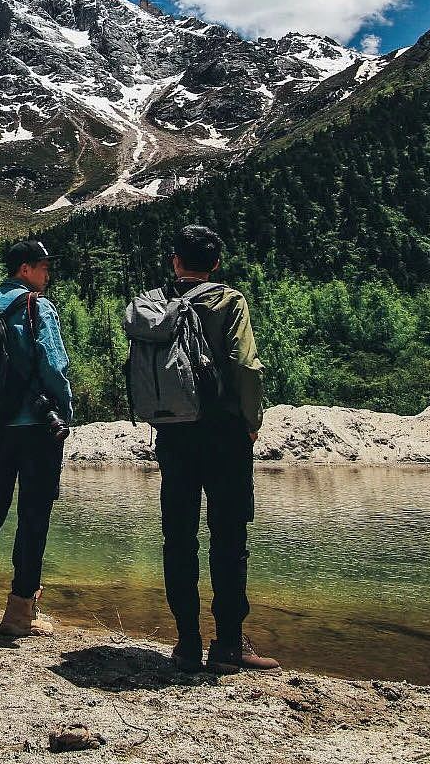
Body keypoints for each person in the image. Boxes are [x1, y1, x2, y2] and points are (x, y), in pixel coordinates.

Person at [145, 225, 278, 674]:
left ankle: (185, 643)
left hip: (174, 434)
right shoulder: (229, 300)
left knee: (178, 537)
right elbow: (245, 364)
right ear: (215, 264)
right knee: (229, 538)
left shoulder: (156, 303)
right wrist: (251, 422)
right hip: (223, 433)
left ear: (175, 261)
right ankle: (228, 643)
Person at [0, 240, 74, 638]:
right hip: (38, 428)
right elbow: (54, 366)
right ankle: (20, 611)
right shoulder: (40, 307)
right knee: (33, 517)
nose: (47, 274)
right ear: (26, 269)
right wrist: (64, 412)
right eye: (43, 267)